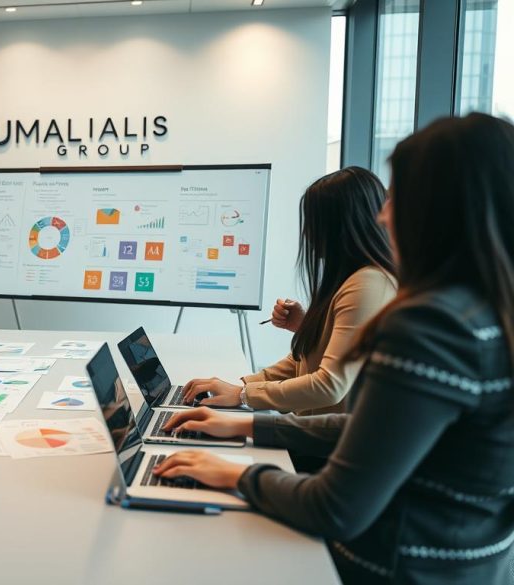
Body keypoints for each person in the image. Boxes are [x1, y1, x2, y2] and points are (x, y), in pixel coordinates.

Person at [155, 114, 514, 584]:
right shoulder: (486, 314)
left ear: (439, 207)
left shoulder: (430, 327)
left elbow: (334, 507)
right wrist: (244, 422)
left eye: (398, 197)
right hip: (469, 565)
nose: (385, 216)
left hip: (395, 567)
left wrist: (233, 474)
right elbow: (375, 429)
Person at [182, 167, 397, 415]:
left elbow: (329, 386)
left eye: (314, 223)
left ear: (341, 226)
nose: (307, 233)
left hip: (322, 445)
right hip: (308, 433)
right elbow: (300, 364)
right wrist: (242, 386)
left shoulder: (368, 283)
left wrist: (242, 394)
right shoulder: (351, 279)